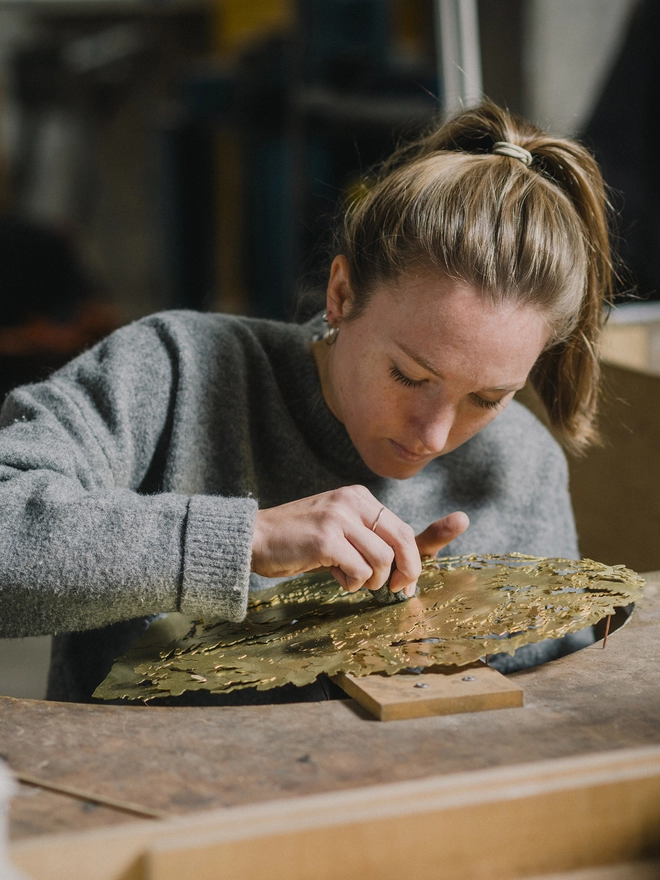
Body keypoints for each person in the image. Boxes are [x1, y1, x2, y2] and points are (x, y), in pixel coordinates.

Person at [0, 103, 612, 702]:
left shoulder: (521, 464)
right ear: (341, 294)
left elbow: (560, 710)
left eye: (485, 398)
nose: (432, 434)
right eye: (407, 374)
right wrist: (242, 542)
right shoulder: (174, 372)